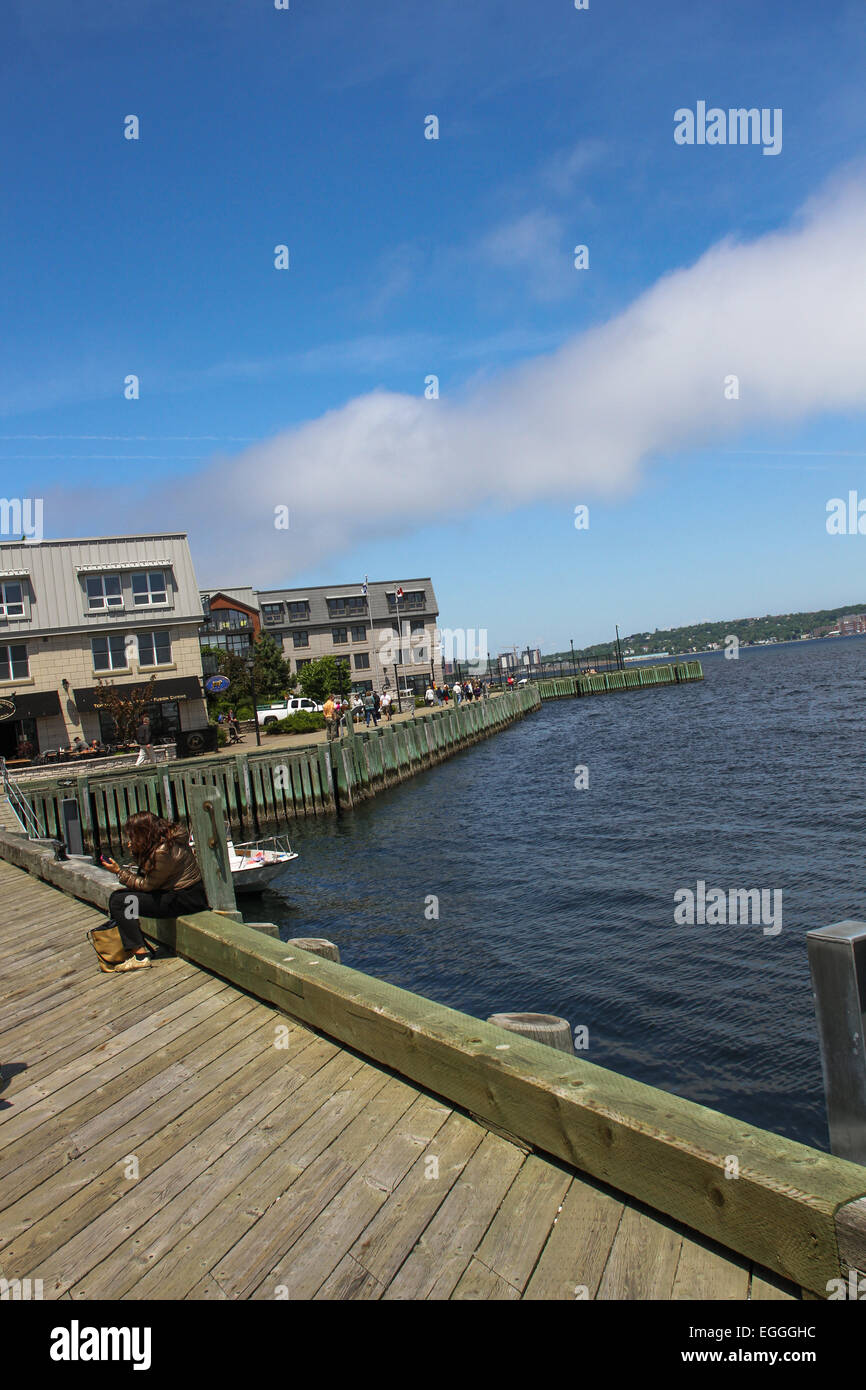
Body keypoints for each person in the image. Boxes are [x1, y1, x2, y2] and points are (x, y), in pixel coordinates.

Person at [99, 812, 208, 971]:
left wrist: (118, 871)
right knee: (120, 897)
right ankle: (135, 947)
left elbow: (147, 885)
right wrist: (137, 852)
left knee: (120, 902)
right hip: (183, 894)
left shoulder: (163, 851)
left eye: (132, 835)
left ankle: (140, 956)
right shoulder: (165, 841)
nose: (130, 839)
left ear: (142, 833)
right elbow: (150, 872)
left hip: (183, 899)